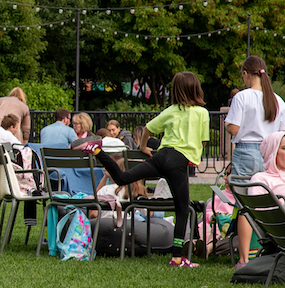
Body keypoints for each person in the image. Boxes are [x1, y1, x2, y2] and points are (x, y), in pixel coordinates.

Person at [86, 71, 210, 268]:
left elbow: (147, 129)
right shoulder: (202, 113)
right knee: (182, 209)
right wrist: (194, 157)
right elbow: (202, 142)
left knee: (122, 177)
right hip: (178, 161)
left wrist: (143, 147)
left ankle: (98, 151)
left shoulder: (170, 110)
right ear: (196, 88)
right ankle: (177, 257)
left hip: (161, 156)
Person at [225, 55, 285, 267]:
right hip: (270, 152)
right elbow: (281, 134)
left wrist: (227, 127)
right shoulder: (278, 100)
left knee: (245, 206)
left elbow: (233, 127)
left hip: (247, 151)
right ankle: (270, 250)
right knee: (269, 203)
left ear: (245, 74)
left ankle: (243, 259)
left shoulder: (243, 97)